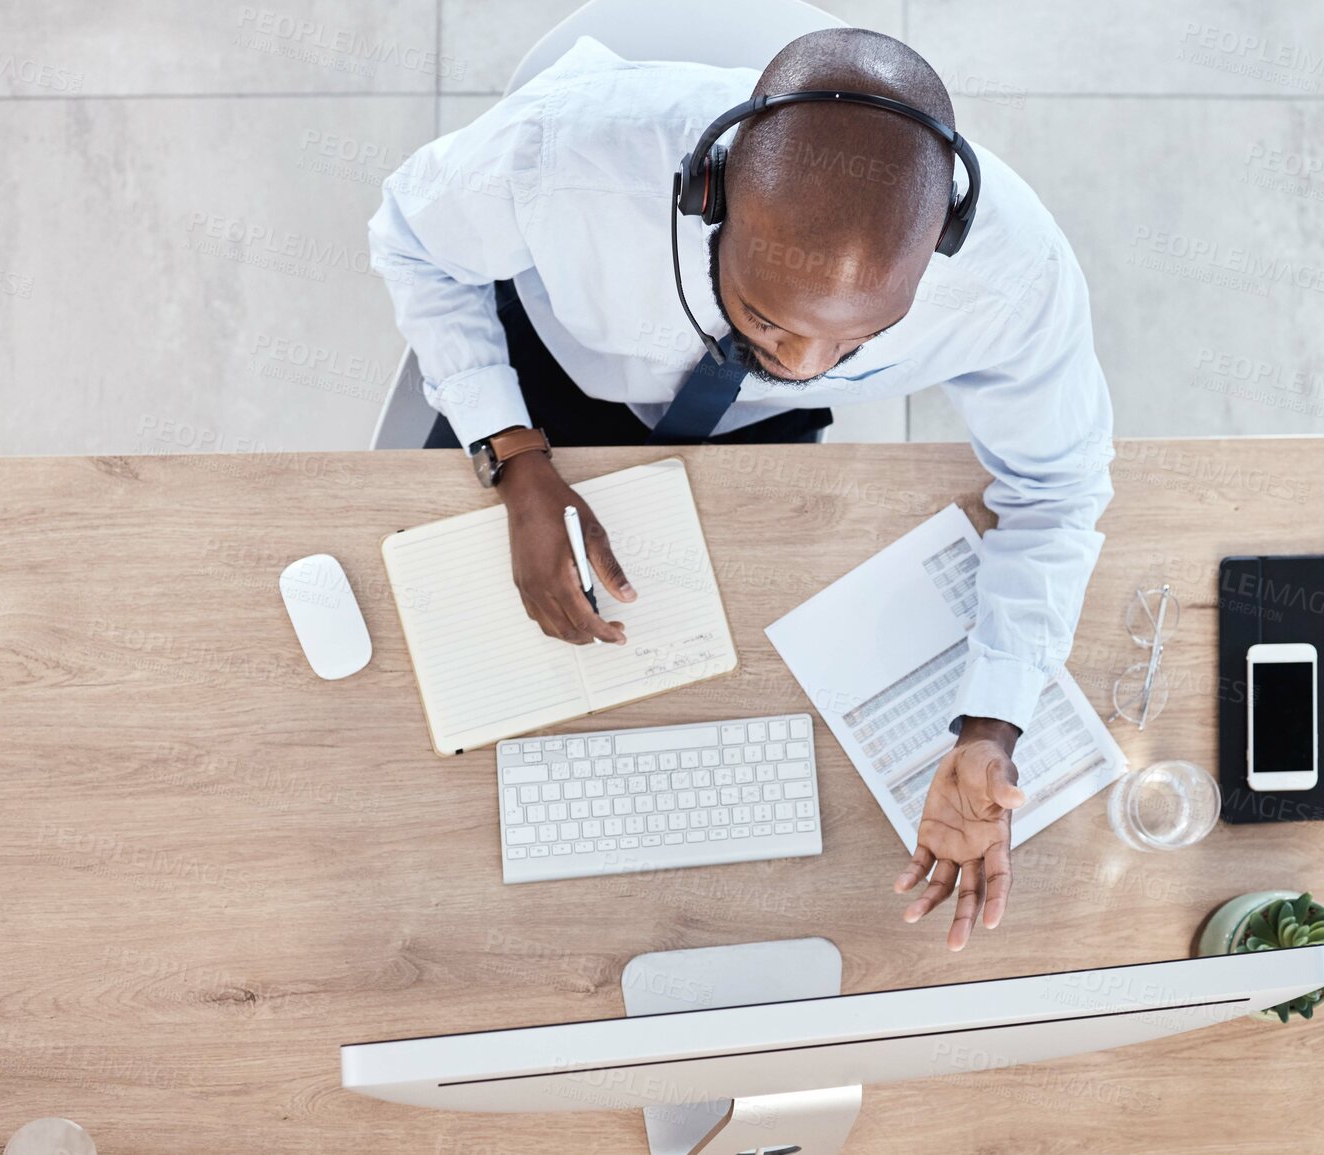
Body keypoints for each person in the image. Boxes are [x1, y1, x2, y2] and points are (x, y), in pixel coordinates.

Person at [368, 28, 1112, 950]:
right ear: (706, 196)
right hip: (553, 376)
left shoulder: (1017, 275)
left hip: (750, 436)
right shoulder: (568, 153)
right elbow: (409, 236)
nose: (802, 364)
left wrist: (994, 721)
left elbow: (1058, 489)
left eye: (855, 343)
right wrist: (512, 453)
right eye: (766, 319)